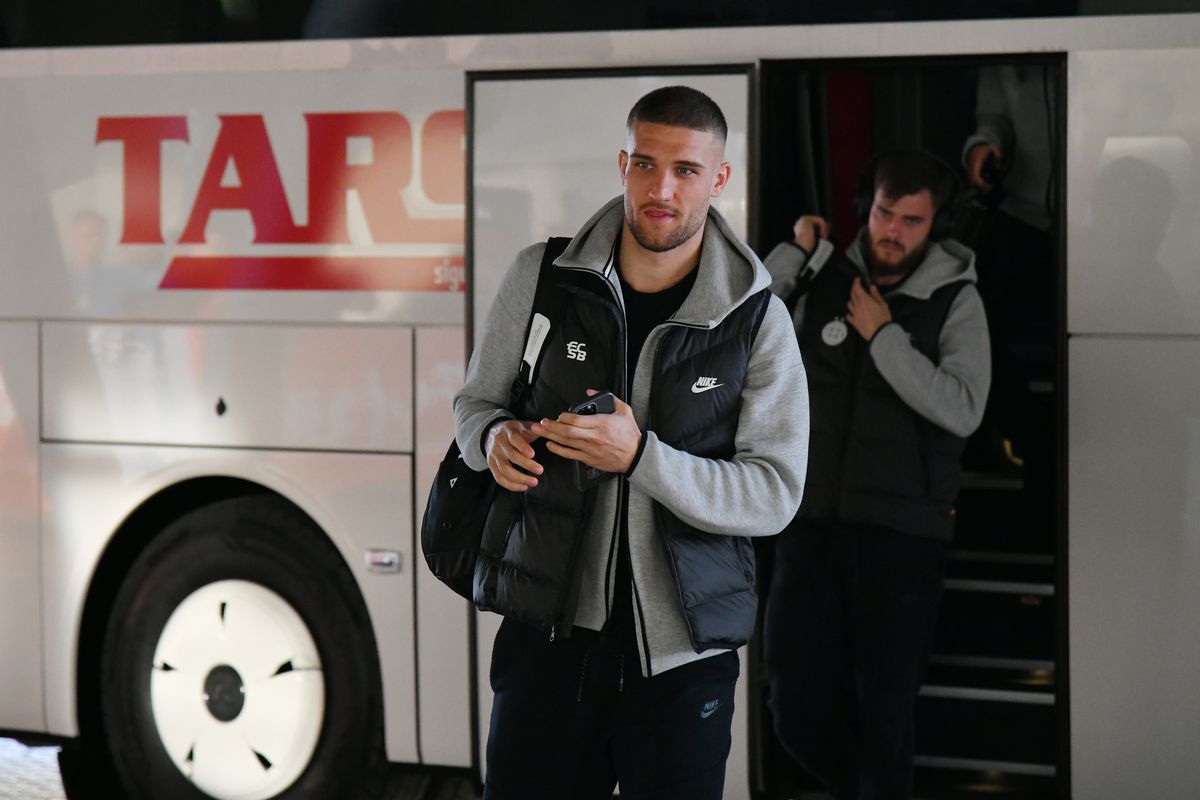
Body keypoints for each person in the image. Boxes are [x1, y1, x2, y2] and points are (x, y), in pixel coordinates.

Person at [452, 85, 809, 800]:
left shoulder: (757, 320)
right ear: (623, 163)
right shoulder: (541, 276)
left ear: (719, 178)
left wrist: (642, 458)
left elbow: (775, 493)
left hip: (680, 664)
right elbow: (473, 407)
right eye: (645, 165)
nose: (661, 189)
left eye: (685, 170)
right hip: (545, 637)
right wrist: (493, 439)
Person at [761, 150, 991, 799]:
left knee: (887, 717)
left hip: (901, 538)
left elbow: (964, 408)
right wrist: (795, 252)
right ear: (869, 206)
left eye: (910, 221)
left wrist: (887, 337)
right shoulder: (825, 272)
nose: (892, 231)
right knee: (792, 709)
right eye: (885, 213)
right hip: (807, 525)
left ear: (934, 226)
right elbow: (743, 327)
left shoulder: (956, 298)